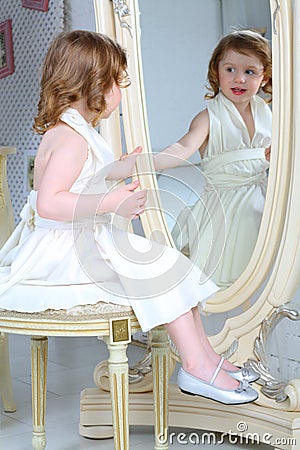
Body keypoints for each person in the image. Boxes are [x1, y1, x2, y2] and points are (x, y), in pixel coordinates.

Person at [0, 30, 259, 404]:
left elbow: (89, 175)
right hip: (63, 251)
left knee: (173, 265)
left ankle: (206, 358)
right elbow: (50, 204)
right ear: (96, 84)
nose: (121, 92)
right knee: (163, 271)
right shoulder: (71, 138)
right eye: (118, 82)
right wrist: (110, 204)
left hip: (80, 241)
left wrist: (124, 165)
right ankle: (196, 367)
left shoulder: (78, 132)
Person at [155, 30, 272, 289]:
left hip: (261, 200)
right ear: (216, 71)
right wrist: (147, 162)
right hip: (225, 204)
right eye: (230, 69)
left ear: (264, 77)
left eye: (250, 72)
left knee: (263, 272)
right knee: (220, 281)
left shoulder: (267, 115)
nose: (239, 78)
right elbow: (183, 147)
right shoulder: (208, 118)